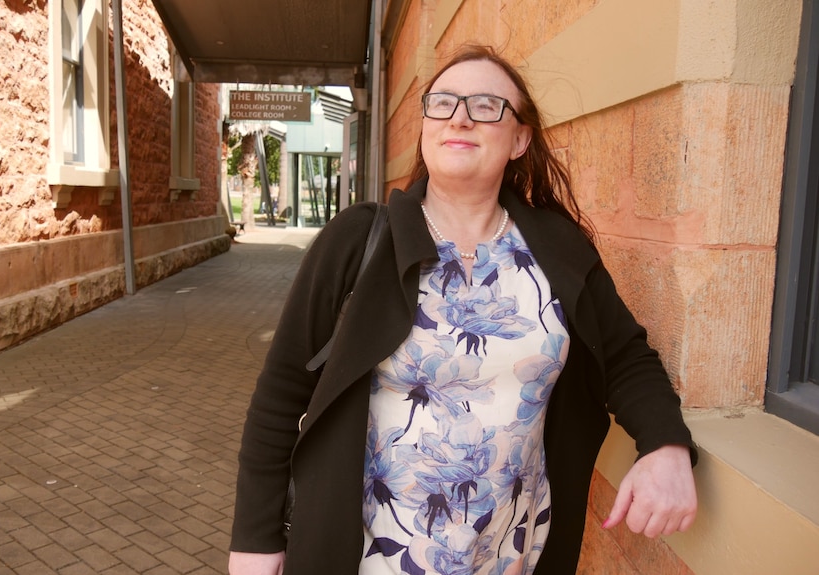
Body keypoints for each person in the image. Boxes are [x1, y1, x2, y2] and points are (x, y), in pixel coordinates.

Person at [229, 44, 697, 575]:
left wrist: (665, 445)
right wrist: (255, 538)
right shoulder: (358, 241)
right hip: (365, 555)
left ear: (520, 138)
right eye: (444, 102)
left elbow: (626, 356)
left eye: (485, 106)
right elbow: (280, 393)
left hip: (509, 556)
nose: (460, 117)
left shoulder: (559, 251)